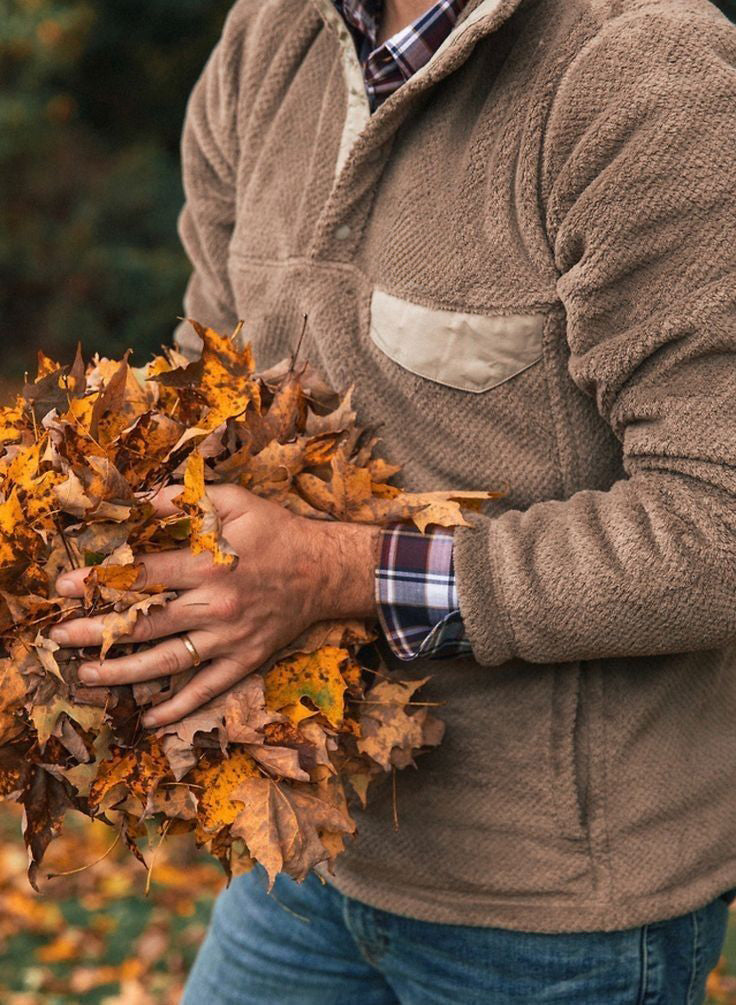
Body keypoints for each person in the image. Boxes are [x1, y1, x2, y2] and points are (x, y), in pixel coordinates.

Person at [49, 0, 736, 1000]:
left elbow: (715, 523)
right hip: (313, 844)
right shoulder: (267, 38)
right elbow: (209, 375)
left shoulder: (640, 71)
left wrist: (336, 573)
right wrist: (118, 568)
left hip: (546, 909)